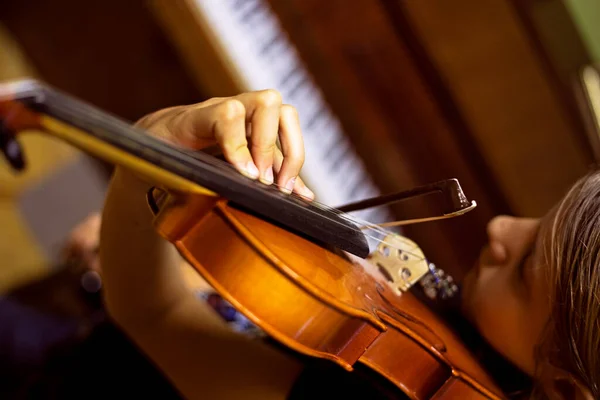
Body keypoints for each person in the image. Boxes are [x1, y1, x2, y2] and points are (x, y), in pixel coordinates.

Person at [97, 89, 598, 400]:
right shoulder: (467, 337)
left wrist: (148, 155)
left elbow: (154, 315)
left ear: (564, 390)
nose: (502, 227)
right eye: (538, 221)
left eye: (526, 266)